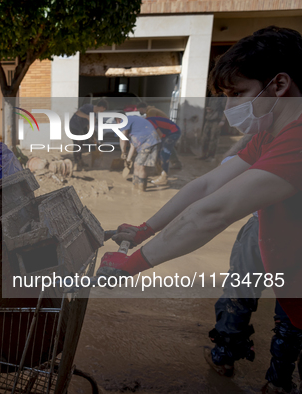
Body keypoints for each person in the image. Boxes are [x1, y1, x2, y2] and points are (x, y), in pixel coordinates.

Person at [101, 26, 302, 394]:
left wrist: (134, 264)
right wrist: (146, 227)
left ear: (279, 85)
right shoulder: (269, 134)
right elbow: (208, 184)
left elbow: (213, 211)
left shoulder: (298, 140)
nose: (228, 108)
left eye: (237, 94)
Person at [119, 114, 161, 191]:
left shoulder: (125, 121)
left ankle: (141, 190)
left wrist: (123, 152)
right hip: (149, 141)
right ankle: (135, 187)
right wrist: (128, 159)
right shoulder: (135, 126)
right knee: (136, 165)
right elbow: (133, 146)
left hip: (149, 141)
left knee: (141, 166)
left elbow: (122, 138)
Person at [68, 99, 109, 170]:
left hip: (80, 128)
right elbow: (78, 113)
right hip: (74, 126)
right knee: (77, 144)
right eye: (104, 109)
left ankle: (80, 161)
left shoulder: (95, 114)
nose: (103, 111)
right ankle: (76, 163)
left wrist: (92, 134)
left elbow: (89, 125)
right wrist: (88, 117)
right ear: (102, 107)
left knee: (81, 143)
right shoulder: (88, 107)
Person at [146, 116, 182, 185]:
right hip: (166, 133)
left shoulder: (148, 121)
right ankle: (162, 170)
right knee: (165, 150)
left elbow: (159, 134)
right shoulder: (145, 123)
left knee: (164, 153)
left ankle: (164, 177)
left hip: (173, 132)